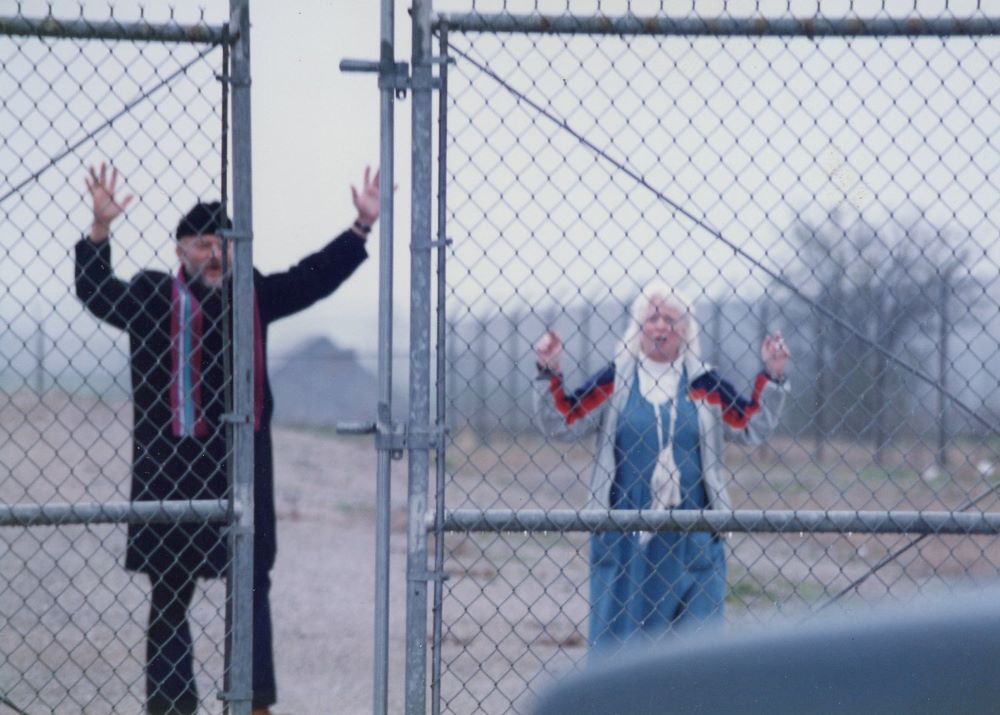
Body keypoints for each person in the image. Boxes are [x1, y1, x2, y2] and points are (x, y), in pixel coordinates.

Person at [74, 162, 381, 715]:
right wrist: (100, 231)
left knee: (251, 582)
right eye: (200, 244)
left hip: (240, 462)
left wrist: (360, 227)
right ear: (179, 251)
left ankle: (253, 702)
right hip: (168, 465)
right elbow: (96, 292)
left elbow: (312, 277)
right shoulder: (149, 297)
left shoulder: (252, 294)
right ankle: (172, 706)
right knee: (169, 592)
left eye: (222, 244)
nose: (213, 254)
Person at [533, 282, 790, 652]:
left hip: (692, 533)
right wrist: (548, 370)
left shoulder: (704, 382)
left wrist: (774, 375)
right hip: (625, 534)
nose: (660, 326)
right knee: (620, 645)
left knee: (695, 651)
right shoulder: (616, 380)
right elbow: (565, 420)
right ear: (638, 328)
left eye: (671, 318)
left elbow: (750, 426)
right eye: (651, 318)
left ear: (685, 330)